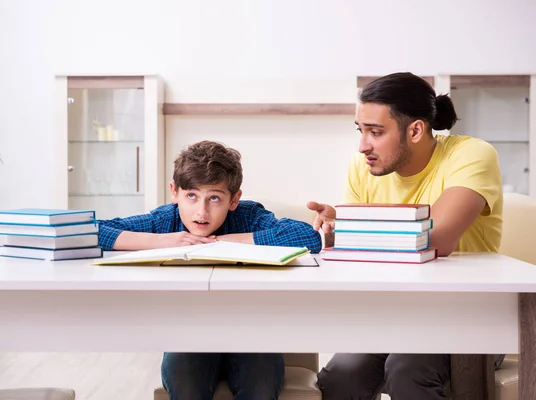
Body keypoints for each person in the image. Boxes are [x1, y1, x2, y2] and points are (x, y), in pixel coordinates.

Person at [307, 72, 504, 400]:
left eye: (376, 132)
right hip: (395, 314)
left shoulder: (472, 155)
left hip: (470, 315)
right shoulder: (363, 168)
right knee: (342, 375)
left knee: (407, 367)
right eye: (361, 131)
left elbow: (435, 240)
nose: (362, 146)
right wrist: (334, 233)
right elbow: (357, 256)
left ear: (415, 130)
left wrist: (355, 229)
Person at [98, 140, 322, 400]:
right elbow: (93, 229)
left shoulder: (248, 216)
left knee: (261, 383)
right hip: (189, 335)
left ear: (234, 199)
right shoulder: (166, 220)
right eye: (191, 196)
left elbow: (308, 237)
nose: (201, 211)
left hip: (251, 334)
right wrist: (161, 241)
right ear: (175, 192)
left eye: (214, 198)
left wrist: (228, 240)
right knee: (185, 381)